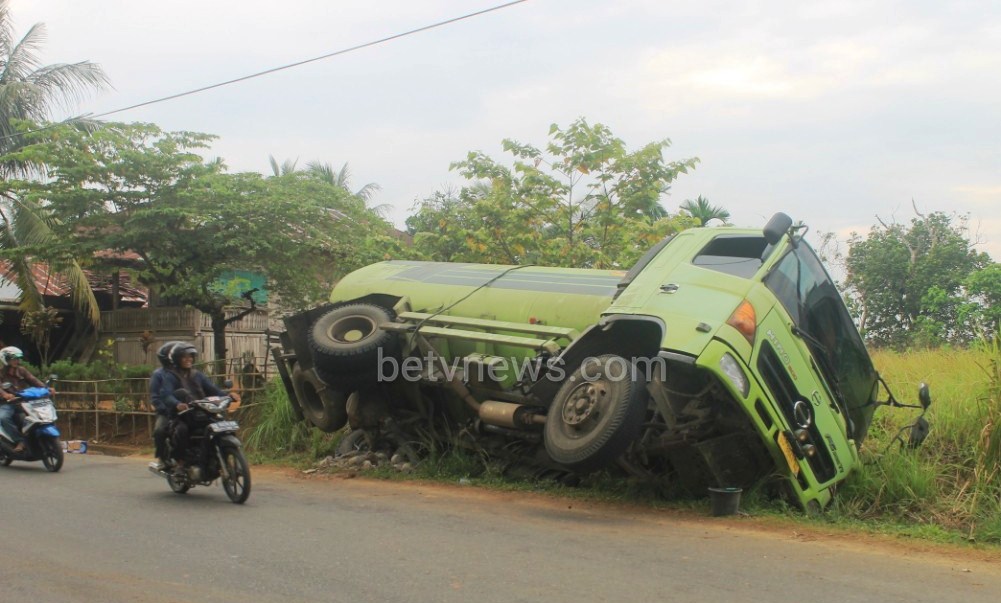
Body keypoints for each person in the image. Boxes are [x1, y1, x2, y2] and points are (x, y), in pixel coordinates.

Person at [155, 342, 224, 475]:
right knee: (182, 430)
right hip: (182, 415)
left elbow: (213, 389)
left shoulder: (197, 375)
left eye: (190, 356)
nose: (189, 359)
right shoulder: (170, 376)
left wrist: (227, 396)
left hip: (202, 412)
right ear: (176, 359)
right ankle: (181, 463)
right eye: (184, 357)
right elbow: (166, 395)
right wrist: (177, 404)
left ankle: (218, 454)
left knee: (220, 424)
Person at [0, 346, 53, 453]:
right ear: (5, 359)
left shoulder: (22, 370)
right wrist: (5, 394)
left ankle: (39, 438)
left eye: (18, 358)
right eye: (13, 358)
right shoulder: (1, 373)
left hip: (25, 401)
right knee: (3, 418)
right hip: (8, 403)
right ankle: (19, 440)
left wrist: (47, 389)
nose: (17, 361)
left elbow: (34, 380)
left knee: (39, 416)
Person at [149, 341, 184, 471]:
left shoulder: (186, 372)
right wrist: (167, 409)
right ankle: (162, 458)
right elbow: (155, 397)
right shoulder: (158, 375)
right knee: (159, 430)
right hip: (167, 412)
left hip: (188, 410)